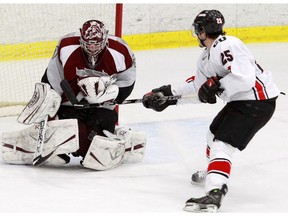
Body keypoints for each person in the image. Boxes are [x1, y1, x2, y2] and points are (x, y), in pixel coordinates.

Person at [142, 10, 280, 212]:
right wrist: (167, 96)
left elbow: (245, 78)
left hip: (257, 102)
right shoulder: (206, 57)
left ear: (202, 31)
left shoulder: (227, 44)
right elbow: (199, 87)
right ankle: (214, 171)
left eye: (198, 30)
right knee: (212, 135)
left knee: (222, 144)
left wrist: (218, 85)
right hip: (242, 102)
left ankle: (215, 193)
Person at [1, 20, 146, 170]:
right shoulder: (67, 46)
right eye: (88, 44)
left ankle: (119, 140)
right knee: (66, 139)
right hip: (68, 105)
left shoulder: (120, 51)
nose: (92, 48)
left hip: (100, 107)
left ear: (105, 39)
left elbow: (127, 82)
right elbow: (51, 79)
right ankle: (38, 142)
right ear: (81, 39)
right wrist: (50, 104)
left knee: (98, 150)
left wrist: (111, 93)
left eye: (96, 44)